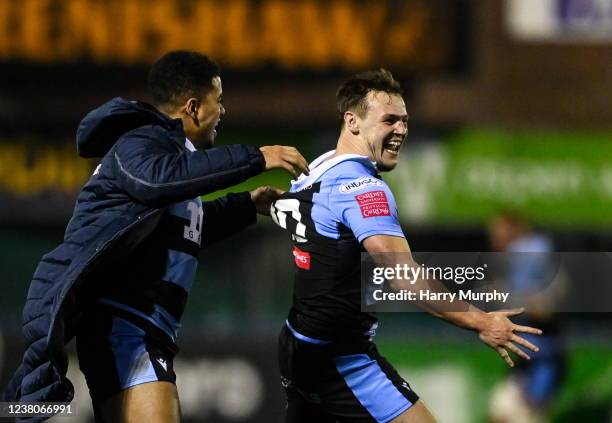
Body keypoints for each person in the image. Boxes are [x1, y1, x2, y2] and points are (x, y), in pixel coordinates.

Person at [2, 50, 309, 423]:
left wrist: (246, 205)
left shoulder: (172, 160)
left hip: (143, 330)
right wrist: (258, 157)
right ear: (194, 107)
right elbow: (155, 181)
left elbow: (180, 229)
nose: (224, 111)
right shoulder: (140, 143)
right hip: (126, 328)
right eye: (219, 100)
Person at [271, 69, 542, 423]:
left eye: (404, 120)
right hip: (339, 357)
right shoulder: (364, 188)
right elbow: (401, 274)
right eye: (389, 120)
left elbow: (297, 209)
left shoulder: (320, 168)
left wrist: (260, 202)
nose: (401, 129)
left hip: (297, 341)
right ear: (352, 122)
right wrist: (480, 321)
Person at [488, 213, 566, 423]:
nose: (493, 240)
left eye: (498, 233)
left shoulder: (536, 252)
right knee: (500, 414)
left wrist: (515, 299)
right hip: (522, 360)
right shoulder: (511, 261)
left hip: (545, 360)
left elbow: (547, 307)